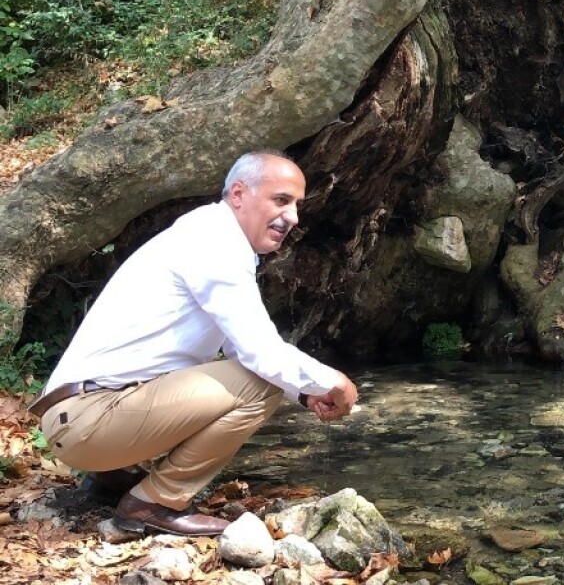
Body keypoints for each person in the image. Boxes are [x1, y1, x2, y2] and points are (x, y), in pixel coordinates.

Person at [28, 150, 359, 536]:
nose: (293, 217)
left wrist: (304, 395)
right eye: (281, 200)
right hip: (89, 420)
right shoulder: (214, 244)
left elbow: (241, 351)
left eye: (298, 205)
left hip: (79, 417)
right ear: (238, 194)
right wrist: (334, 382)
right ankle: (154, 502)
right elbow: (261, 355)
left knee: (247, 375)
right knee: (261, 385)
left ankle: (112, 478)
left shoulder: (208, 234)